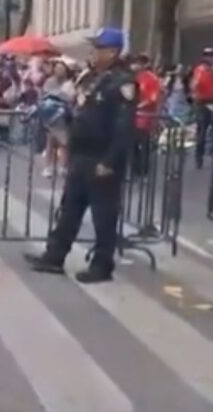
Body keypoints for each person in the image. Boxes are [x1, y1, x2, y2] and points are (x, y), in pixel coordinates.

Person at [24, 28, 136, 284]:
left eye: (98, 48)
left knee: (103, 216)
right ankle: (54, 256)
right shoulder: (94, 77)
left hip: (101, 158)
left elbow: (123, 127)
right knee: (69, 210)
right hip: (82, 155)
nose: (93, 52)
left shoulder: (122, 82)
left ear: (112, 52)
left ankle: (102, 265)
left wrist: (109, 161)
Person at [41, 60, 75, 177]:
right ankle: (48, 167)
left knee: (64, 143)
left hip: (64, 115)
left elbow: (71, 97)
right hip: (52, 115)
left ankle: (63, 166)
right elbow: (46, 95)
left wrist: (63, 96)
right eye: (58, 68)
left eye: (62, 68)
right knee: (50, 142)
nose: (60, 71)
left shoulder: (69, 83)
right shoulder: (49, 82)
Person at [132, 54, 162, 176]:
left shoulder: (152, 79)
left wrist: (139, 106)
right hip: (134, 116)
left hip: (145, 116)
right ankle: (136, 169)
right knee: (133, 144)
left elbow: (152, 98)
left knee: (144, 143)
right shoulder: (136, 78)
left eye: (139, 63)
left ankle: (144, 170)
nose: (136, 65)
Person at [190, 47, 213, 168]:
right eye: (207, 55)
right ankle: (199, 157)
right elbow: (194, 84)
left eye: (211, 55)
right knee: (202, 130)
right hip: (202, 103)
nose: (209, 57)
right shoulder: (200, 70)